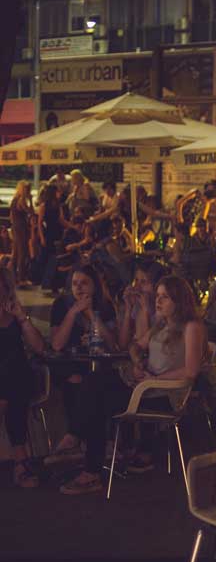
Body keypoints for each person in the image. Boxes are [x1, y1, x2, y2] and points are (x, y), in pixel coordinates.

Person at [59, 276, 207, 493]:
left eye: (165, 297)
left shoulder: (191, 326)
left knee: (97, 399)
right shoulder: (161, 324)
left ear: (179, 300)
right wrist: (138, 362)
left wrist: (154, 379)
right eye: (158, 296)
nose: (158, 301)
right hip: (146, 388)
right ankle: (84, 455)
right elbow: (135, 346)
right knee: (95, 381)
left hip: (166, 395)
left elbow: (191, 370)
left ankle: (83, 454)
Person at [44, 266, 119, 468]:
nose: (78, 288)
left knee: (90, 383)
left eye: (84, 283)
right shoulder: (62, 304)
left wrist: (91, 315)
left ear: (95, 286)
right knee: (75, 379)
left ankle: (75, 436)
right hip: (68, 365)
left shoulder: (105, 306)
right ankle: (87, 444)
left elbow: (113, 345)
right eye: (75, 283)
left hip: (98, 366)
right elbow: (56, 344)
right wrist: (73, 313)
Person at [0, 268, 44, 487]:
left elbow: (39, 347)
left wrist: (22, 318)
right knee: (12, 389)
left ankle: (19, 464)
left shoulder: (15, 314)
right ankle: (20, 463)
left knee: (14, 378)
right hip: (12, 383)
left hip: (19, 379)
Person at [118, 260, 168, 351]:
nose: (137, 287)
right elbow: (122, 345)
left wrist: (145, 310)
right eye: (136, 280)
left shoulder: (165, 311)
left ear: (157, 286)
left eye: (143, 282)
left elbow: (144, 350)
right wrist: (128, 309)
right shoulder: (138, 305)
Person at [38, 181, 67, 293]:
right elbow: (40, 223)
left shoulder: (58, 206)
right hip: (49, 233)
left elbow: (61, 220)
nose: (59, 193)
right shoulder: (44, 206)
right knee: (47, 258)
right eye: (57, 191)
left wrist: (72, 226)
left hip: (57, 232)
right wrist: (42, 237)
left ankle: (54, 284)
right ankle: (47, 282)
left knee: (56, 258)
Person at [9, 180, 33, 286]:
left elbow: (11, 216)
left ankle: (13, 276)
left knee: (15, 253)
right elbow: (31, 212)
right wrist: (31, 201)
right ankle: (21, 278)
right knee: (22, 252)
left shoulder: (14, 199)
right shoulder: (21, 200)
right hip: (21, 228)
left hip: (15, 227)